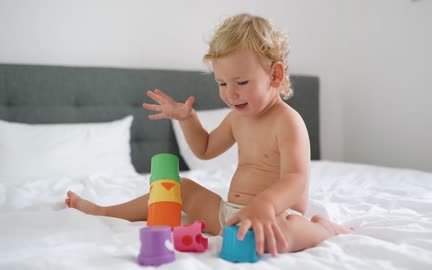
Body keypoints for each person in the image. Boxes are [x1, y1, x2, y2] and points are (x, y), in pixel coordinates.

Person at [65, 13, 352, 256]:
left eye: (241, 81)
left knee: (280, 235)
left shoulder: (288, 122)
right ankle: (106, 212)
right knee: (182, 188)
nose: (230, 93)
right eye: (222, 82)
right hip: (229, 213)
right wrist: (188, 119)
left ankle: (323, 228)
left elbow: (296, 178)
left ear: (275, 76)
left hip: (276, 214)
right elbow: (204, 149)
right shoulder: (237, 118)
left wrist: (264, 205)